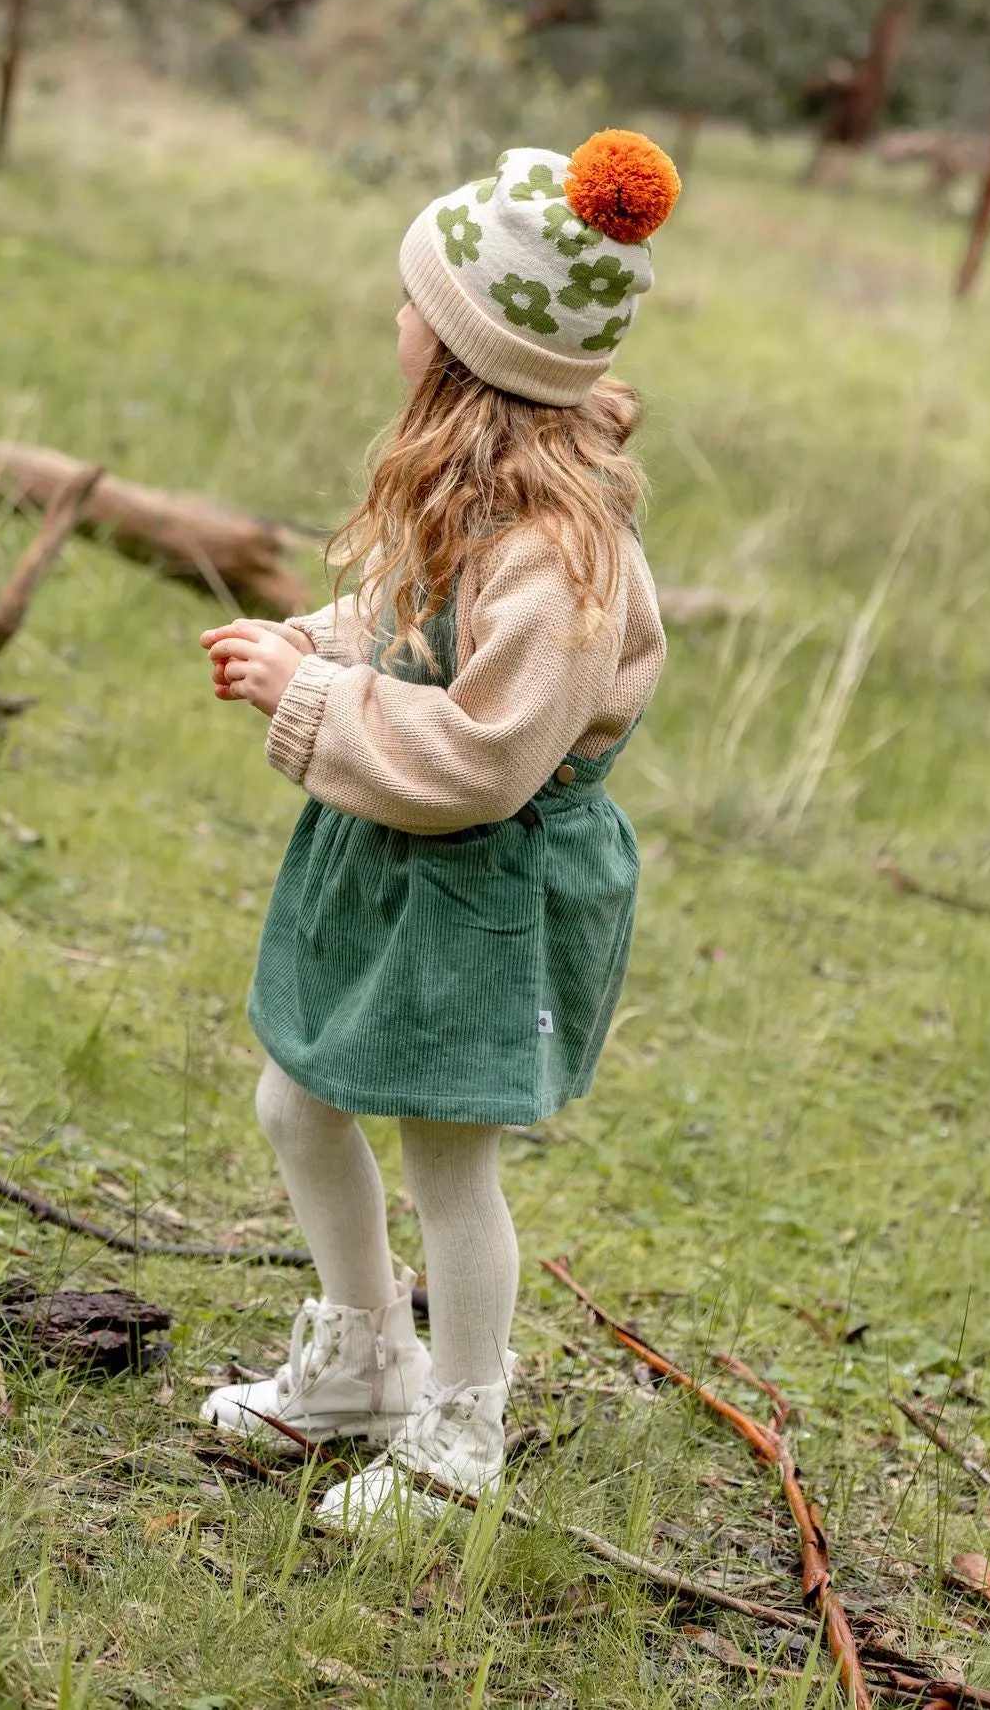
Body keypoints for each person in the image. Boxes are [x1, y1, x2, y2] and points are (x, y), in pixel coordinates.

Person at [197, 129, 675, 1525]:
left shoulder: (559, 555)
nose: (395, 315)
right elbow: (408, 624)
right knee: (298, 1092)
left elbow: (484, 756)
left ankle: (462, 1434)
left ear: (466, 348)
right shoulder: (475, 497)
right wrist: (307, 645)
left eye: (416, 298)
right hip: (401, 855)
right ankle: (361, 1359)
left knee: (446, 1151)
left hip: (487, 880)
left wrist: (317, 705)